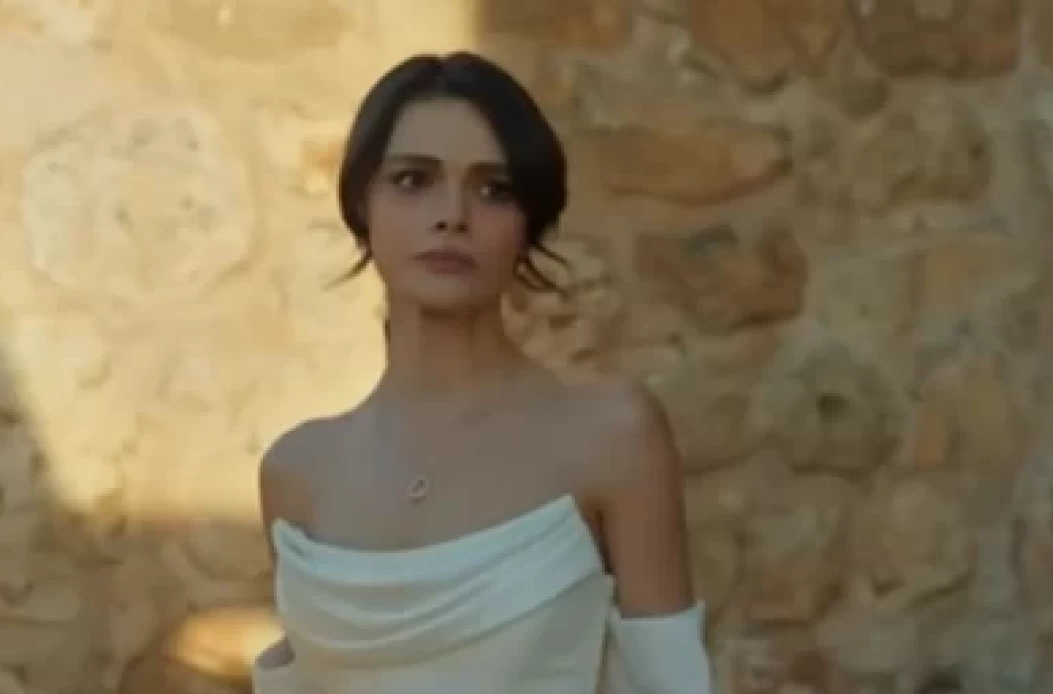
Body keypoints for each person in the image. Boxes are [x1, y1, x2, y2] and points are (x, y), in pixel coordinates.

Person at [252, 51, 713, 693]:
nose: (453, 215)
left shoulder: (612, 437)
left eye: (494, 189)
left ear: (528, 224)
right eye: (414, 180)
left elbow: (672, 682)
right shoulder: (298, 474)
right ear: (362, 204)